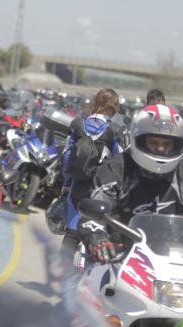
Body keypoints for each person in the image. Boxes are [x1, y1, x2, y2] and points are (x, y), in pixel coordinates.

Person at [82, 104, 183, 264]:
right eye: (154, 142)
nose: (161, 149)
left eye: (167, 144)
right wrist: (97, 237)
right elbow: (93, 209)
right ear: (139, 140)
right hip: (119, 255)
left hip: (172, 256)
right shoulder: (117, 168)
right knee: (93, 283)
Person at [59, 88, 123, 261]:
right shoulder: (114, 131)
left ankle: (61, 273)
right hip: (100, 189)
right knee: (95, 231)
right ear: (114, 106)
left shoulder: (78, 124)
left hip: (77, 184)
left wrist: (66, 182)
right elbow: (119, 163)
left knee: (72, 232)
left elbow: (66, 156)